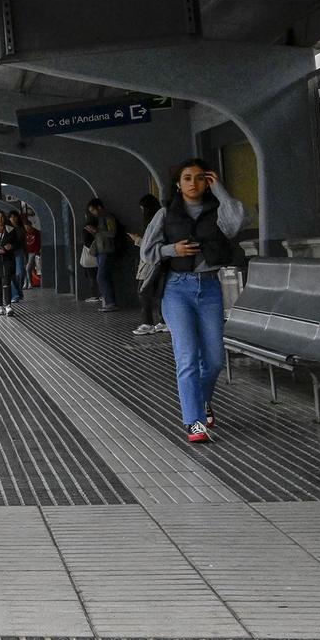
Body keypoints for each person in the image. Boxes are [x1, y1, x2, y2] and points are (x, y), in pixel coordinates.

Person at [139, 159, 246, 443]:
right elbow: (147, 252)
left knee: (213, 360)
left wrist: (220, 189)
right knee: (186, 357)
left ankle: (202, 401)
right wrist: (173, 249)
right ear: (178, 183)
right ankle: (194, 421)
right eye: (187, 178)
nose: (193, 183)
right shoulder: (166, 213)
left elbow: (235, 224)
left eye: (200, 178)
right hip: (177, 289)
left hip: (210, 288)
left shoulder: (216, 211)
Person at [131, 192, 167, 336]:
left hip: (150, 262)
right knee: (157, 292)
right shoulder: (160, 217)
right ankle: (162, 321)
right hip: (154, 261)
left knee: (143, 291)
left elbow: (150, 244)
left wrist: (138, 240)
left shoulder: (155, 220)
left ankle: (148, 323)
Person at [86, 198, 121, 311]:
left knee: (101, 276)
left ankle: (110, 302)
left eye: (93, 210)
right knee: (104, 276)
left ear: (99, 207)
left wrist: (97, 231)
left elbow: (112, 233)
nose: (92, 213)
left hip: (107, 250)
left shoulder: (108, 218)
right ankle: (108, 301)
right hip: (101, 251)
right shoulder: (100, 219)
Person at [21, 213, 42, 290]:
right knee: (25, 268)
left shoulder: (36, 232)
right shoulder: (23, 233)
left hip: (33, 252)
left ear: (30, 225)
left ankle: (30, 283)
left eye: (27, 226)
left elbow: (38, 243)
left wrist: (37, 251)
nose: (26, 228)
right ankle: (26, 283)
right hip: (25, 252)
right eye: (24, 226)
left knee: (28, 268)